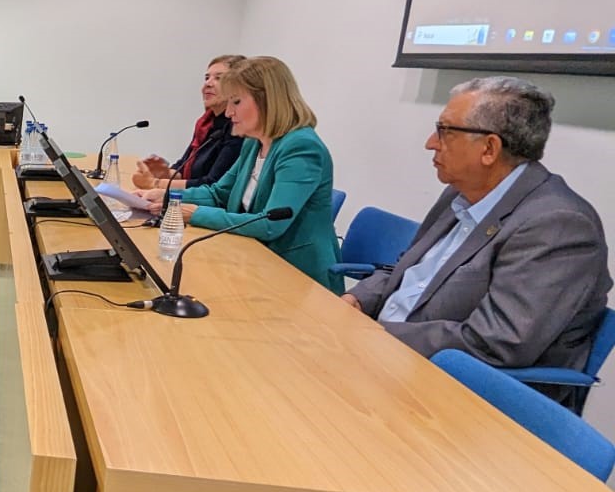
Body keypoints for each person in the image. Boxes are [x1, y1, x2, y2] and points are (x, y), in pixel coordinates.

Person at [345, 77, 610, 402]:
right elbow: (407, 268)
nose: (431, 143)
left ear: (489, 149)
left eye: (445, 131)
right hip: (386, 354)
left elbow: (497, 342)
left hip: (457, 393)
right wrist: (358, 299)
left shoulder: (558, 225)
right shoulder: (461, 192)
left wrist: (375, 334)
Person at [137, 56, 342, 291]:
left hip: (298, 276)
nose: (228, 113)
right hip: (253, 260)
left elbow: (269, 224)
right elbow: (219, 193)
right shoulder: (254, 142)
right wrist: (167, 197)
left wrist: (194, 214)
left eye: (236, 102)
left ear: (267, 100)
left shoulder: (301, 147)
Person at [132, 55, 248, 191]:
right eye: (207, 78)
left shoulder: (237, 128)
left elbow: (213, 184)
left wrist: (156, 183)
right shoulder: (205, 123)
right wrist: (165, 173)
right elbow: (184, 167)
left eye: (218, 78)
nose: (208, 84)